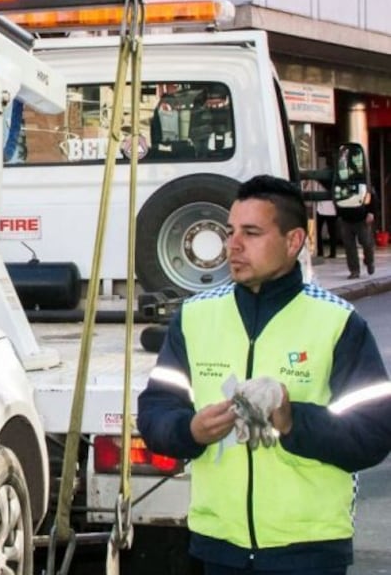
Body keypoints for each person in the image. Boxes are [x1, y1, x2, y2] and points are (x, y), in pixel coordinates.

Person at [137, 174, 391, 575]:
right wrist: (191, 431)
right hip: (218, 547)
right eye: (230, 231)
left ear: (293, 242)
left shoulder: (338, 321)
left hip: (310, 550)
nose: (232, 245)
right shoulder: (196, 316)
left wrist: (293, 421)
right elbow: (154, 413)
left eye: (251, 233)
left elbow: (373, 436)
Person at [336, 183, 378, 279]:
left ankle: (369, 261)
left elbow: (372, 198)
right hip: (346, 219)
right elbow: (336, 198)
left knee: (366, 242)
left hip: (362, 218)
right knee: (349, 247)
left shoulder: (363, 181)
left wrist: (371, 212)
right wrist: (339, 214)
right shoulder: (340, 184)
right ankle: (354, 270)